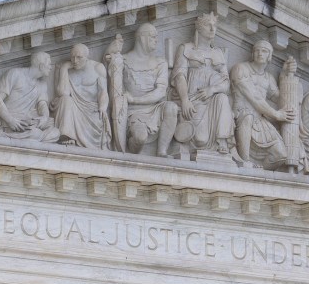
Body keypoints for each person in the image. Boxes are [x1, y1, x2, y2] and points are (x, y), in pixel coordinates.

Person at [171, 12, 234, 159]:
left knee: (223, 98)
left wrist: (212, 90)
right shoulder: (186, 48)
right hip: (193, 99)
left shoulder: (218, 53)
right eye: (208, 25)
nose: (212, 29)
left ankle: (222, 140)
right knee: (201, 139)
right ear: (198, 28)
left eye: (215, 25)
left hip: (212, 99)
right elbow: (179, 76)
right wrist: (185, 100)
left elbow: (226, 83)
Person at [109, 22, 174, 155]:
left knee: (171, 107)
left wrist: (135, 99)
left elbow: (161, 92)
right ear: (142, 38)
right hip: (133, 112)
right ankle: (132, 156)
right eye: (153, 37)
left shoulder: (160, 62)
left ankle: (162, 151)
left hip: (154, 108)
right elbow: (112, 82)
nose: (157, 40)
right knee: (140, 137)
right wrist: (110, 53)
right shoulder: (124, 60)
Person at [229, 38, 295, 169]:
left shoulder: (268, 78)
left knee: (281, 155)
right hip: (241, 114)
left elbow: (278, 98)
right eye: (257, 50)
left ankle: (258, 172)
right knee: (248, 116)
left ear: (269, 56)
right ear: (252, 53)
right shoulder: (241, 69)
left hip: (260, 119)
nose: (260, 53)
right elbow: (254, 97)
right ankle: (245, 161)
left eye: (264, 51)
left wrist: (287, 75)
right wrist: (276, 114)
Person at [0, 49, 56, 141]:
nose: (51, 67)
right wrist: (10, 120)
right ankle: (7, 135)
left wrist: (44, 117)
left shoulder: (42, 84)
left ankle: (11, 137)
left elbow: (42, 105)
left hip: (28, 123)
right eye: (49, 64)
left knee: (55, 133)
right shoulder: (15, 74)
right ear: (41, 66)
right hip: (11, 122)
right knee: (35, 134)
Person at [56, 41, 113, 149]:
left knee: (99, 115)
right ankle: (67, 136)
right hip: (73, 109)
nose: (75, 61)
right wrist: (64, 68)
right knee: (65, 100)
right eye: (72, 57)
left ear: (87, 57)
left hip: (91, 109)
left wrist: (102, 107)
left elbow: (103, 91)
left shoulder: (97, 68)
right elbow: (63, 93)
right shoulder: (65, 69)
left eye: (79, 57)